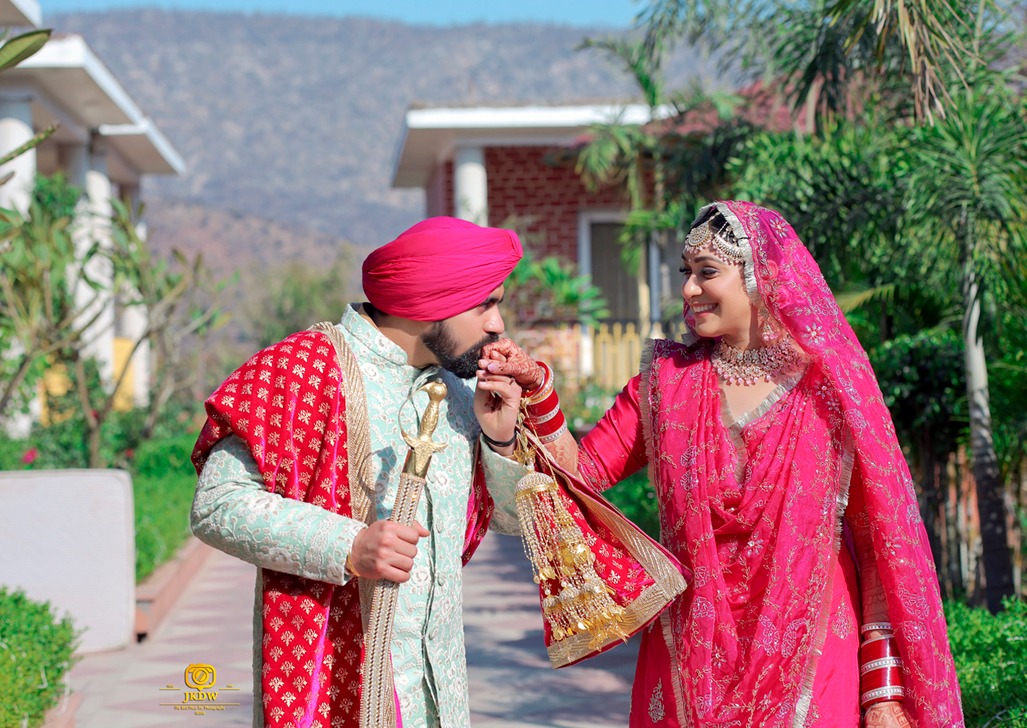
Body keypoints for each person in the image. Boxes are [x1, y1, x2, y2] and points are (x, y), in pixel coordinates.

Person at [480, 201, 963, 726]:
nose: (689, 289)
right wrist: (539, 391)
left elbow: (880, 545)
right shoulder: (665, 382)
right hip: (690, 660)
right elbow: (581, 475)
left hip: (813, 657)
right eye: (686, 272)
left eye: (707, 272)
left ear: (761, 277)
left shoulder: (828, 391)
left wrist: (884, 690)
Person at [189, 216, 533, 728]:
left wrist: (500, 439)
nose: (497, 324)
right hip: (335, 683)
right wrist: (348, 545)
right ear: (430, 300)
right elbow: (217, 505)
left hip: (441, 695)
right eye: (485, 304)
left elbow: (508, 520)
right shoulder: (302, 369)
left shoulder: (464, 396)